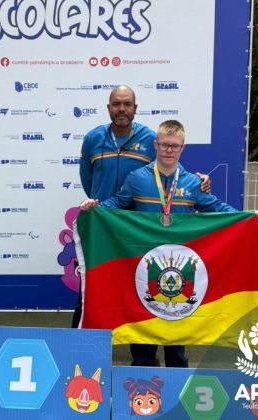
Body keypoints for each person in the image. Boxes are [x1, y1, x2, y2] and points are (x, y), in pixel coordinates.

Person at [80, 119, 258, 367]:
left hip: (180, 268)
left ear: (183, 148)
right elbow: (116, 203)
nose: (169, 150)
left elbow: (217, 208)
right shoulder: (137, 178)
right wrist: (94, 208)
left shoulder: (193, 183)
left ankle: (177, 381)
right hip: (145, 267)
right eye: (165, 145)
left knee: (177, 333)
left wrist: (248, 217)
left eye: (175, 146)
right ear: (155, 145)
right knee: (143, 338)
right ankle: (143, 379)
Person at [74, 86, 211, 329]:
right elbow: (87, 178)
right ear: (108, 108)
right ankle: (82, 344)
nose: (122, 109)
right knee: (92, 287)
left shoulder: (149, 139)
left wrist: (198, 182)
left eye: (127, 104)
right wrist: (96, 205)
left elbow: (168, 170)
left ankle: (141, 349)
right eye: (116, 104)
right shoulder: (93, 138)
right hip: (103, 227)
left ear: (135, 108)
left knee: (139, 294)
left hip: (137, 232)